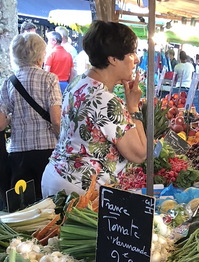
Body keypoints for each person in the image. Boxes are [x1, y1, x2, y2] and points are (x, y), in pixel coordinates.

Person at [41, 20, 147, 198]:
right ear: (112, 59)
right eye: (131, 53)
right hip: (80, 191)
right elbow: (140, 153)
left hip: (56, 177)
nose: (136, 59)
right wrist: (133, 107)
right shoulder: (106, 100)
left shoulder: (79, 81)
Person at [0, 33, 62, 197]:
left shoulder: (10, 82)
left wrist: (11, 119)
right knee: (47, 203)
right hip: (48, 152)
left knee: (22, 205)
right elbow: (56, 120)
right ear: (39, 57)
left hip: (19, 154)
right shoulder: (50, 79)